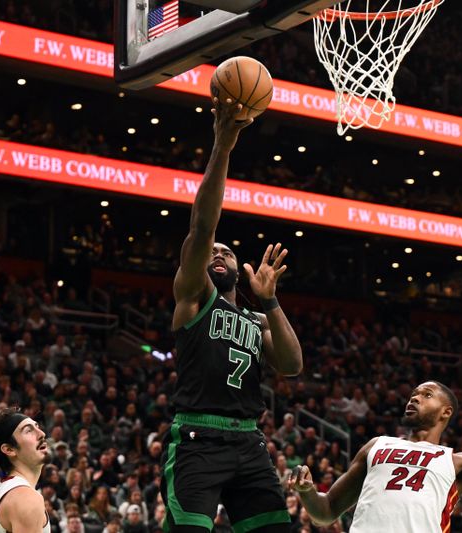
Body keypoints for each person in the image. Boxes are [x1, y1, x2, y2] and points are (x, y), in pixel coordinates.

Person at [161, 97, 303, 533]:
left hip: (249, 441)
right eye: (214, 252)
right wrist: (223, 145)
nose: (218, 253)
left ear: (238, 270)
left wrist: (271, 302)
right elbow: (203, 227)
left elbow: (293, 365)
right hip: (197, 439)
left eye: (227, 252)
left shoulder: (256, 321)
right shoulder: (194, 297)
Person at [289, 349, 462, 532]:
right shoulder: (377, 445)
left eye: (426, 395)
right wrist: (306, 492)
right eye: (414, 394)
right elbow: (325, 512)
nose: (414, 398)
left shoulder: (457, 462)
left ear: (446, 411)